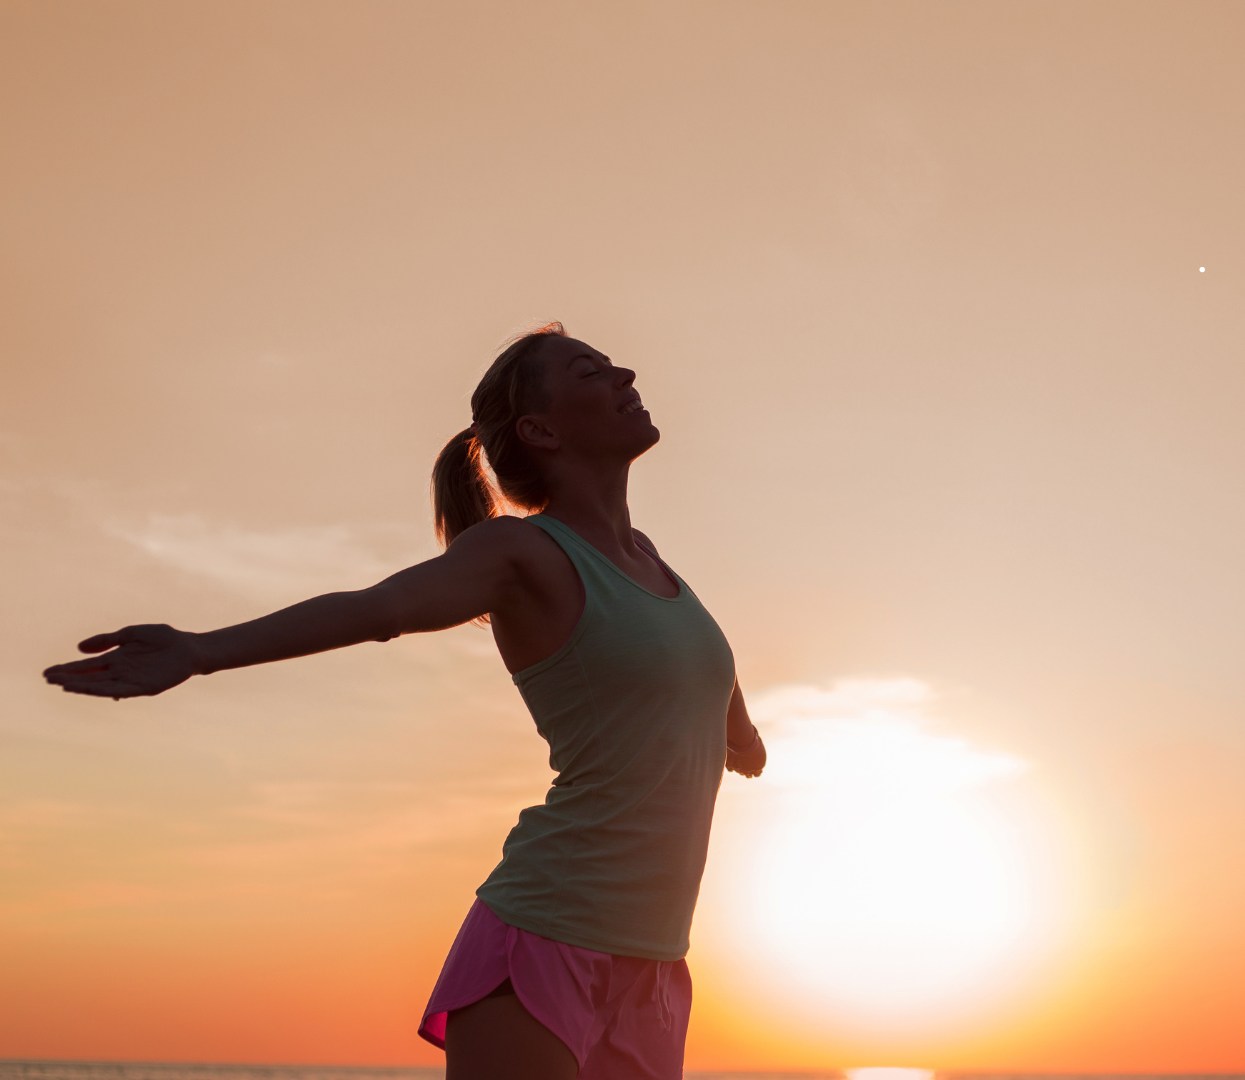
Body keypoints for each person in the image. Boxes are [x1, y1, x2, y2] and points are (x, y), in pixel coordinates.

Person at [43, 322, 767, 1080]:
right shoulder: (520, 552)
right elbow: (376, 609)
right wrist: (201, 650)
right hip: (547, 937)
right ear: (541, 429)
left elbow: (695, 661)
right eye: (590, 370)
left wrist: (741, 736)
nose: (623, 373)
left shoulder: (648, 560)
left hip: (653, 966)